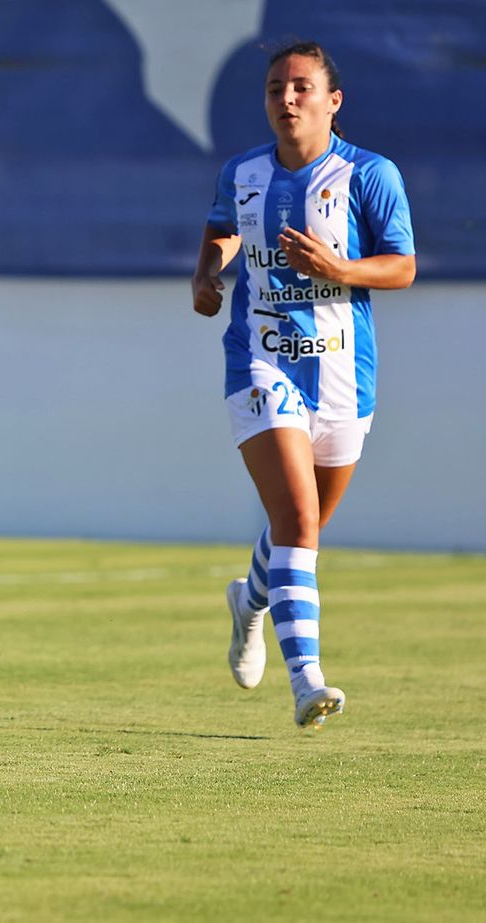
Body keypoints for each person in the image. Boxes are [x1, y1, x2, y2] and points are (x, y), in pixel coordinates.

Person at [192, 41, 416, 728]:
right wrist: (206, 273)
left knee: (304, 528)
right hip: (261, 363)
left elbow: (402, 266)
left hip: (346, 377)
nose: (286, 99)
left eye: (300, 87)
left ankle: (249, 601)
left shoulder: (370, 174)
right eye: (274, 88)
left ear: (332, 100)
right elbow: (222, 232)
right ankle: (308, 681)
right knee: (295, 520)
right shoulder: (244, 171)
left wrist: (341, 268)